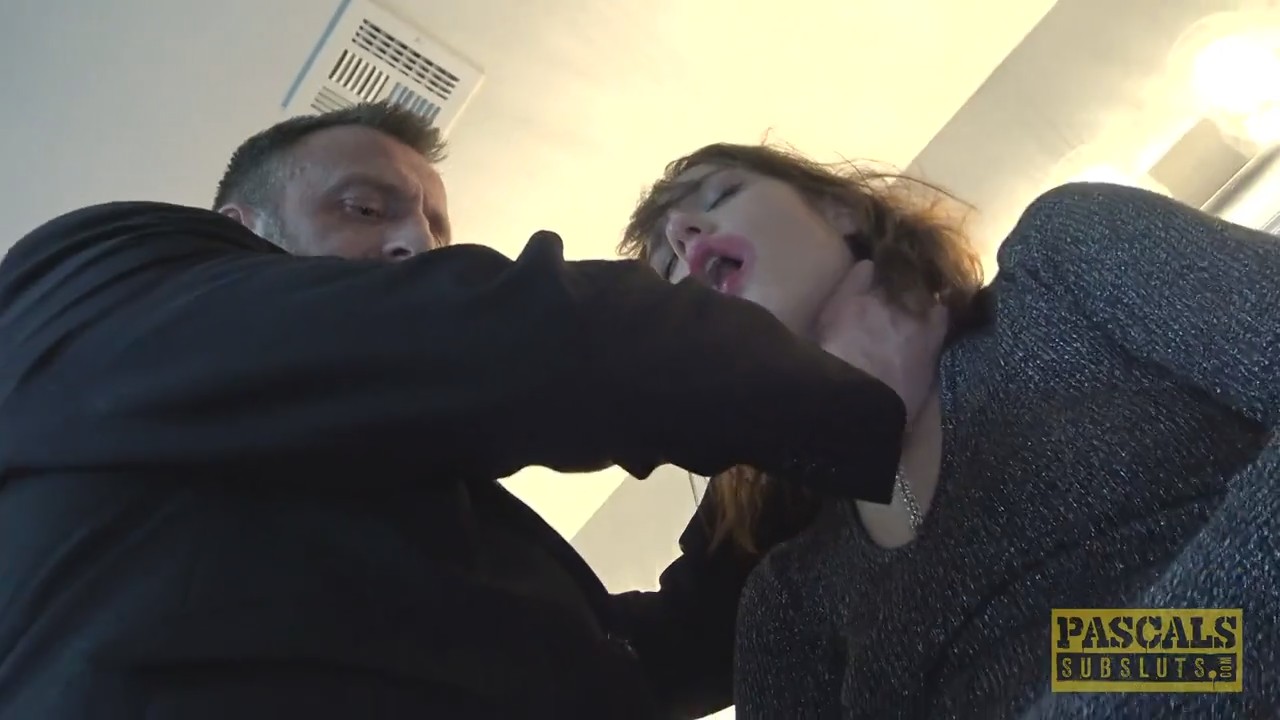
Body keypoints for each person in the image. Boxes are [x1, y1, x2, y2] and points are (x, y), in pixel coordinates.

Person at [0, 104, 921, 719]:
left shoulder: (390, 497)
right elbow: (530, 338)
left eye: (437, 227)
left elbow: (648, 666)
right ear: (240, 232)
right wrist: (864, 407)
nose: (420, 243)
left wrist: (779, 492)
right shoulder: (90, 278)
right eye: (366, 208)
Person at [621, 142, 1279, 718]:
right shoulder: (788, 602)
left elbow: (1136, 648)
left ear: (838, 210)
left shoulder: (1062, 262)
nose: (682, 233)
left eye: (722, 195)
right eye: (669, 275)